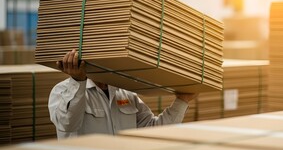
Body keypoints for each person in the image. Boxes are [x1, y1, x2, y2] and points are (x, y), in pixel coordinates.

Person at [48, 49, 198, 139]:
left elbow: (155, 129)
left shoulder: (125, 94)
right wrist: (77, 81)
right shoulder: (61, 91)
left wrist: (182, 100)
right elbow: (67, 123)